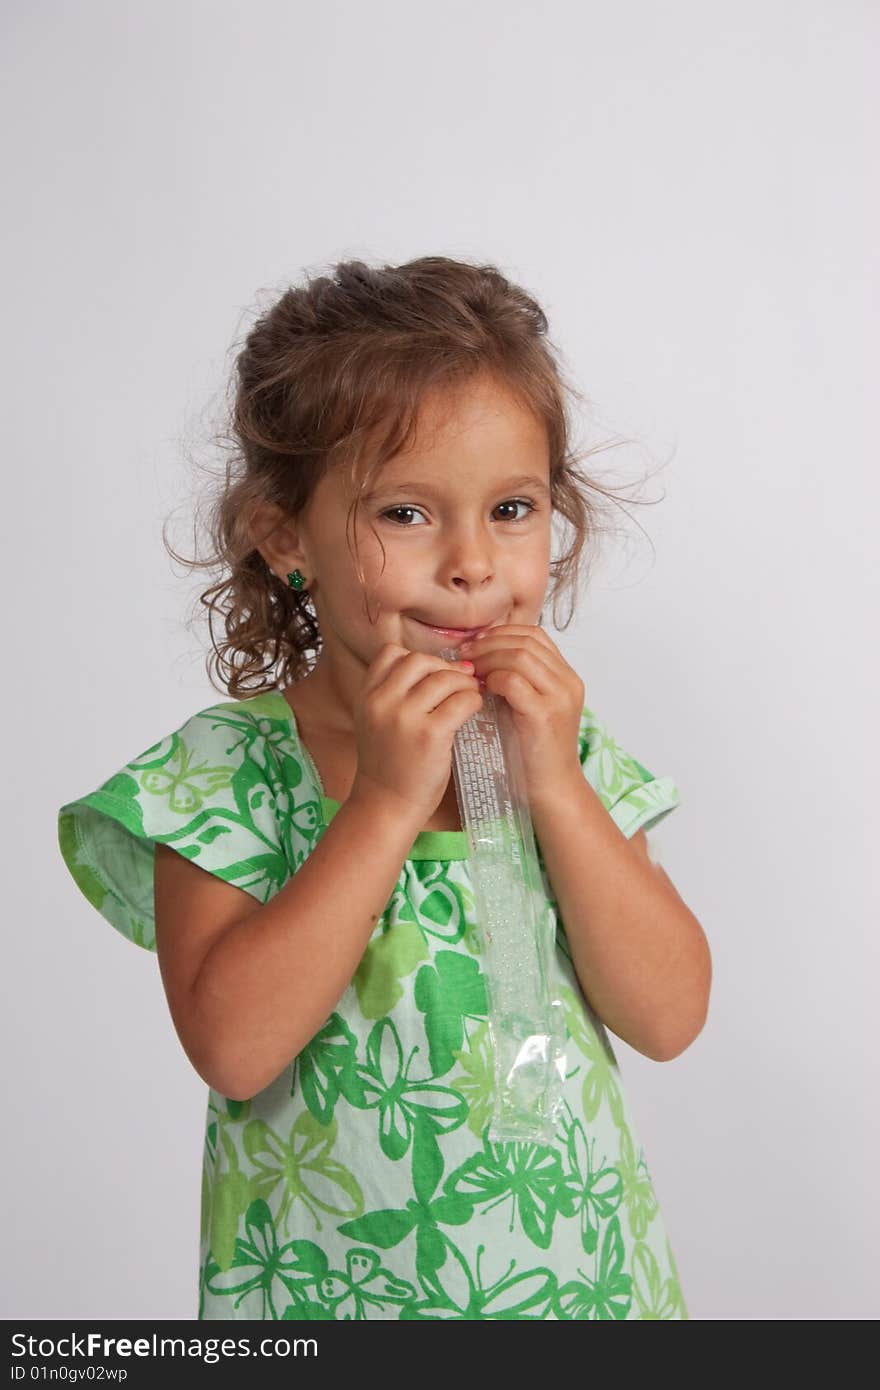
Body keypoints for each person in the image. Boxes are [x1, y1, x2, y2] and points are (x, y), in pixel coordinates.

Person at [57, 255, 711, 1320]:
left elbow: (671, 1013)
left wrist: (551, 781)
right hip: (336, 1302)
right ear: (282, 534)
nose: (470, 562)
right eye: (405, 514)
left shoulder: (564, 746)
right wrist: (386, 804)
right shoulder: (227, 772)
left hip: (585, 1294)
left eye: (511, 507)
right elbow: (232, 1046)